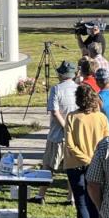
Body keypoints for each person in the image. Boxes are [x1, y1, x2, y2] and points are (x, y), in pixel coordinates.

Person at [29, 61, 78, 205]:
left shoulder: (56, 89)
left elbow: (55, 112)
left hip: (57, 134)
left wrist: (65, 127)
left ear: (61, 74)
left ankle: (40, 196)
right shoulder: (79, 88)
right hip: (74, 135)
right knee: (72, 168)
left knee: (48, 166)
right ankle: (71, 198)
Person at [64, 85, 109, 218]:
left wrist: (84, 158)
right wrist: (92, 160)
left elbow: (70, 145)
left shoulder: (72, 117)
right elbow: (107, 142)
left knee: (81, 202)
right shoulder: (101, 118)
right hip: (96, 164)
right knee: (95, 201)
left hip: (74, 164)